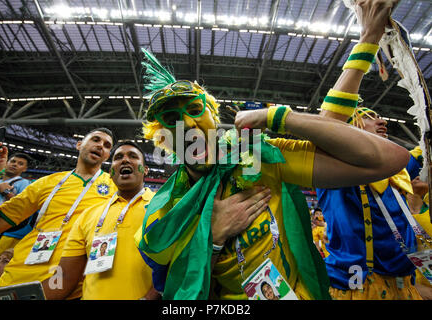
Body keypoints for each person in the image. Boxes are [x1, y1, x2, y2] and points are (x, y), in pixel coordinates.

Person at [136, 0, 409, 300]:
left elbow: (388, 159)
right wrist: (211, 238)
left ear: (213, 117)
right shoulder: (164, 211)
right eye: (172, 119)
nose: (187, 124)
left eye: (194, 109)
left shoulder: (257, 156)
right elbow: (177, 296)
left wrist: (279, 117)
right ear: (161, 138)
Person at [316, 84, 425, 297]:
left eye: (380, 116)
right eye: (369, 117)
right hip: (357, 288)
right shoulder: (332, 168)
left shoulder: (398, 169)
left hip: (405, 286)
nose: (382, 121)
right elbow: (327, 127)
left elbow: (424, 148)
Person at [0, 128, 117, 300]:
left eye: (106, 146)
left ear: (107, 156)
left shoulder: (116, 189)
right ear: (79, 145)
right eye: (95, 140)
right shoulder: (46, 183)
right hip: (18, 278)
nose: (100, 146)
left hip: (70, 288)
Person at [41, 140, 158, 300]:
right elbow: (66, 277)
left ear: (145, 170)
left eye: (132, 156)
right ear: (111, 172)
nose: (124, 160)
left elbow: (176, 265)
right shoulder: (88, 215)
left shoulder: (163, 208)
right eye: (118, 157)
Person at [0, 153, 33, 276]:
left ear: (24, 169)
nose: (15, 164)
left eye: (20, 164)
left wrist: (6, 192)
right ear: (6, 163)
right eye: (13, 161)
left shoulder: (24, 184)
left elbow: (24, 208)